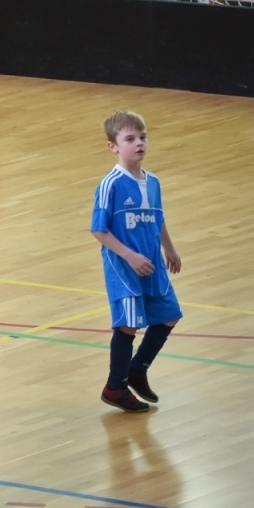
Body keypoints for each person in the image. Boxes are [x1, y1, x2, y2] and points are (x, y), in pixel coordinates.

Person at [91, 110, 183, 412]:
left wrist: (169, 248)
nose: (139, 143)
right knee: (128, 324)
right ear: (113, 146)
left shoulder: (153, 182)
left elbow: (158, 219)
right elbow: (99, 230)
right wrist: (129, 255)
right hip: (124, 266)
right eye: (130, 139)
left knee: (169, 315)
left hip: (152, 263)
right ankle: (114, 387)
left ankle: (137, 369)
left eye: (142, 137)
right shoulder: (111, 184)